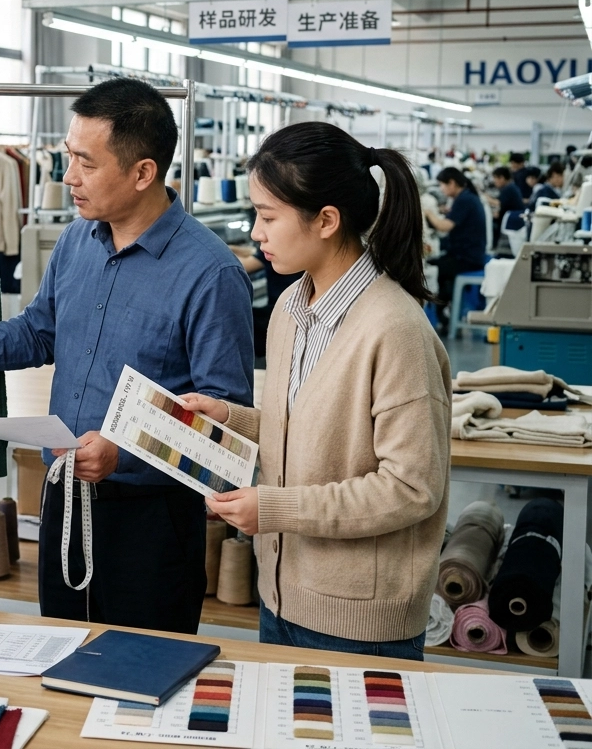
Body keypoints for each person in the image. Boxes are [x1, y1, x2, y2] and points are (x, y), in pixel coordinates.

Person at [0, 78, 254, 634]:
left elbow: (225, 435)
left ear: (143, 172)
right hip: (65, 498)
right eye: (67, 158)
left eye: (85, 162)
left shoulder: (210, 273)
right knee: (61, 657)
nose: (67, 177)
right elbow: (37, 332)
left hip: (150, 524)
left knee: (140, 676)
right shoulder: (77, 241)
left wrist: (122, 453)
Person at [179, 122, 450, 661]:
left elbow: (412, 487)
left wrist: (275, 509)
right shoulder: (291, 309)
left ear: (326, 220)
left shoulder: (394, 330)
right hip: (282, 598)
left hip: (360, 620)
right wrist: (233, 418)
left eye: (267, 216)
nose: (256, 233)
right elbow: (310, 430)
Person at [424, 166, 486, 330]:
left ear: (451, 183)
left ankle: (436, 314)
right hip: (468, 255)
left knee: (431, 268)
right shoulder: (467, 197)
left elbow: (444, 226)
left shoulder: (464, 200)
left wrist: (428, 213)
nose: (441, 189)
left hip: (467, 259)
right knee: (439, 269)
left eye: (442, 185)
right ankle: (442, 315)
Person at [487, 165, 525, 242]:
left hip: (511, 221)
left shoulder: (509, 189)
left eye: (495, 178)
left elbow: (498, 203)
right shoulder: (511, 187)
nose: (494, 181)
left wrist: (485, 197)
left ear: (502, 178)